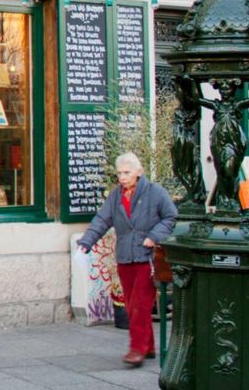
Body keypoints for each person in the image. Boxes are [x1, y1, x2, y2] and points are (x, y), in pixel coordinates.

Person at [77, 153, 177, 367]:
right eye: (120, 173)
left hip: (146, 257)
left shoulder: (156, 192)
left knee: (140, 304)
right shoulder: (116, 196)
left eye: (127, 172)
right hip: (125, 256)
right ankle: (148, 345)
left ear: (139, 172)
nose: (122, 177)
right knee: (132, 304)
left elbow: (171, 217)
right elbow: (102, 220)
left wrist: (154, 236)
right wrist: (87, 241)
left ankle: (137, 349)